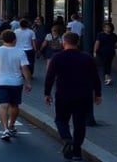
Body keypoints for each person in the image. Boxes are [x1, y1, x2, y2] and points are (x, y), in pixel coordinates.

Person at [44, 32, 103, 161]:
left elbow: (50, 77)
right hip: (83, 95)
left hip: (63, 94)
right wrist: (98, 94)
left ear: (64, 42)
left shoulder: (57, 57)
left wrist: (47, 93)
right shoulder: (87, 58)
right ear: (77, 42)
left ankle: (66, 138)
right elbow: (95, 78)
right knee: (79, 124)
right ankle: (77, 152)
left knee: (61, 120)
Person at [0, 29, 32, 141]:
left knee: (3, 105)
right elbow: (25, 68)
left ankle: (5, 129)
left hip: (1, 82)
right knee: (14, 105)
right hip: (16, 82)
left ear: (2, 39)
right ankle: (12, 125)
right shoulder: (20, 52)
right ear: (14, 39)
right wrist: (28, 82)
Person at [94, 21, 117, 86]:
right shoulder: (114, 35)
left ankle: (107, 77)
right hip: (110, 51)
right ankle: (107, 76)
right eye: (106, 27)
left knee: (105, 64)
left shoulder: (100, 35)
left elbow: (97, 43)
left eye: (108, 27)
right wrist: (112, 47)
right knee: (107, 64)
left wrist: (95, 51)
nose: (107, 29)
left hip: (102, 52)